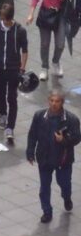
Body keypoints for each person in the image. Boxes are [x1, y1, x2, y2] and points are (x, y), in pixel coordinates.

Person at [26, 90, 80, 224]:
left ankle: (66, 197)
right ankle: (47, 211)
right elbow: (32, 134)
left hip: (63, 159)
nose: (54, 104)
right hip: (44, 158)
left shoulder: (71, 119)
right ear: (48, 101)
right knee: (44, 187)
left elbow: (77, 138)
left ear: (62, 103)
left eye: (57, 101)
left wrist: (64, 140)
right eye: (52, 101)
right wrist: (30, 152)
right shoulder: (39, 116)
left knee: (64, 183)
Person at [26, 0, 73, 81]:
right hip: (46, 14)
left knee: (60, 44)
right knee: (44, 44)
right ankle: (44, 67)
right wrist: (31, 14)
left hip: (60, 16)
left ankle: (56, 62)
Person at [0, 2, 29, 145]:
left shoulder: (20, 31)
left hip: (13, 69)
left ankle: (10, 127)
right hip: (0, 68)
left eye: (6, 19)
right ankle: (2, 113)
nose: (4, 22)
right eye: (2, 18)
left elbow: (24, 51)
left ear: (10, 18)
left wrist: (22, 69)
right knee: (0, 92)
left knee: (12, 97)